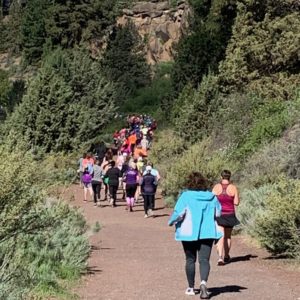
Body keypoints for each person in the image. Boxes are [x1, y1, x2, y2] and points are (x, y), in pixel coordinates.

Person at [168, 172, 222, 299]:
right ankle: (203, 283)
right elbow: (218, 213)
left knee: (190, 259)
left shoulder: (186, 196)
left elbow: (179, 213)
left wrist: (171, 221)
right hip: (208, 232)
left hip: (189, 233)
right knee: (204, 260)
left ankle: (191, 288)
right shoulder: (212, 197)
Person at [212, 169, 240, 265]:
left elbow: (211, 201)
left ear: (221, 177)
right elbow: (236, 203)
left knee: (220, 235)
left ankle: (220, 257)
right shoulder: (233, 188)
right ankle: (227, 255)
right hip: (230, 214)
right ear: (229, 177)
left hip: (219, 215)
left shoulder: (216, 187)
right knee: (228, 236)